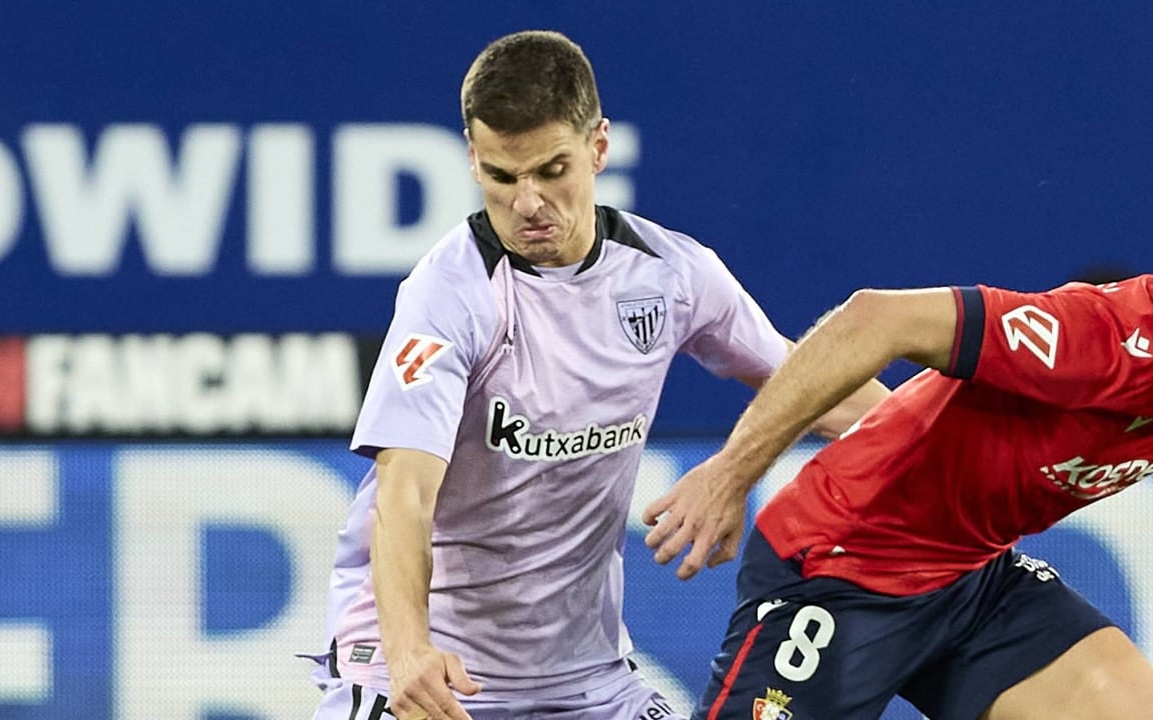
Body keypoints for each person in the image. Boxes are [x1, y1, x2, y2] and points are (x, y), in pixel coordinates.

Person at [301, 29, 887, 720]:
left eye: (552, 170)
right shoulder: (450, 293)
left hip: (584, 677)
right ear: (473, 159)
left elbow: (816, 390)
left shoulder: (672, 274)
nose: (527, 202)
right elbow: (404, 494)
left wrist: (948, 431)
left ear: (598, 147)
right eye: (501, 176)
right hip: (426, 668)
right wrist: (407, 652)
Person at [643, 275, 1153, 718]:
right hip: (844, 564)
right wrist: (730, 474)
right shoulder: (1107, 337)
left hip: (973, 578)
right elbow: (876, 318)